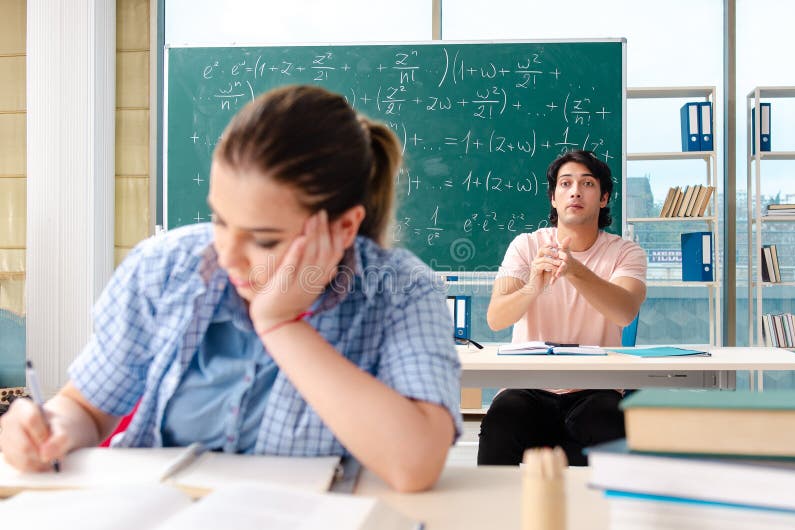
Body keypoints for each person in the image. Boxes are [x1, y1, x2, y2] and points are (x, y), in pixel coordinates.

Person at [0, 85, 462, 492]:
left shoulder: (402, 291)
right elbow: (88, 408)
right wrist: (48, 427)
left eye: (264, 239)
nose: (227, 256)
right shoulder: (163, 267)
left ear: (344, 228)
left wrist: (279, 324)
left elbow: (414, 465)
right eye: (220, 220)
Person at [478, 150, 646, 466]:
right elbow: (496, 318)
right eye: (566, 183)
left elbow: (625, 311)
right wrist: (533, 285)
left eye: (587, 183)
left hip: (596, 388)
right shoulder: (526, 246)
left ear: (604, 198)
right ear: (554, 198)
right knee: (501, 422)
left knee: (609, 425)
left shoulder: (626, 252)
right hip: (528, 386)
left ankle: (609, 499)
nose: (575, 192)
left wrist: (573, 270)